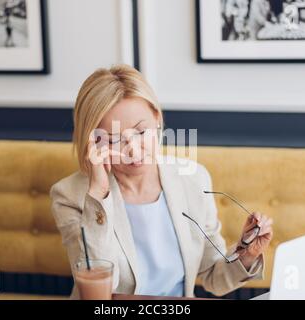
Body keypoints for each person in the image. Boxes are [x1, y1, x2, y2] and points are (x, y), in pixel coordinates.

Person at [50, 65, 273, 299]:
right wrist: (99, 192)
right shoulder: (70, 196)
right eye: (114, 139)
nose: (133, 150)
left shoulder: (193, 179)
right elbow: (98, 292)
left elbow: (213, 277)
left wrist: (247, 254)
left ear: (157, 118)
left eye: (141, 131)